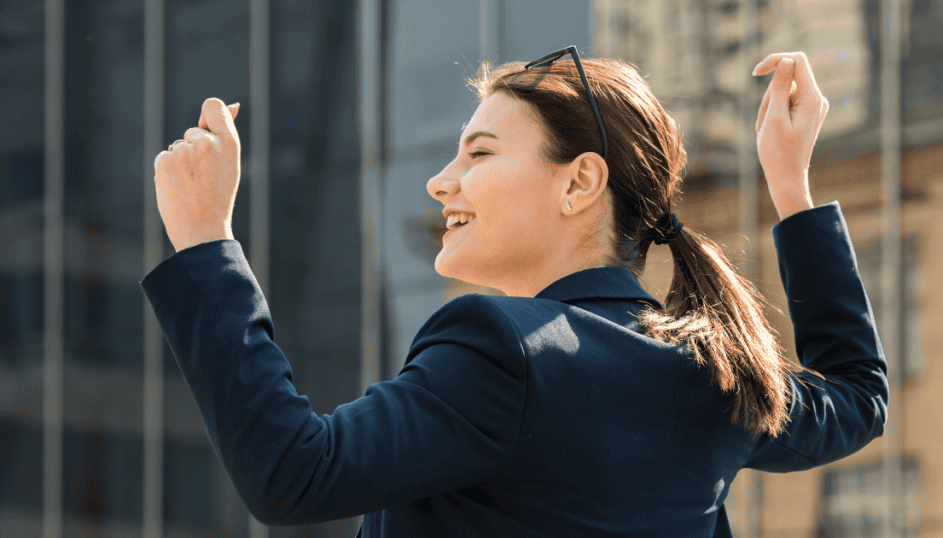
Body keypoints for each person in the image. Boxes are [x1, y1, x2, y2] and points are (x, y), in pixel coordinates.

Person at [144, 49, 887, 537]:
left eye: (480, 152)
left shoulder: (503, 349)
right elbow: (859, 399)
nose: (443, 181)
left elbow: (292, 473)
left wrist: (207, 244)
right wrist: (792, 189)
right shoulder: (716, 372)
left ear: (580, 183)